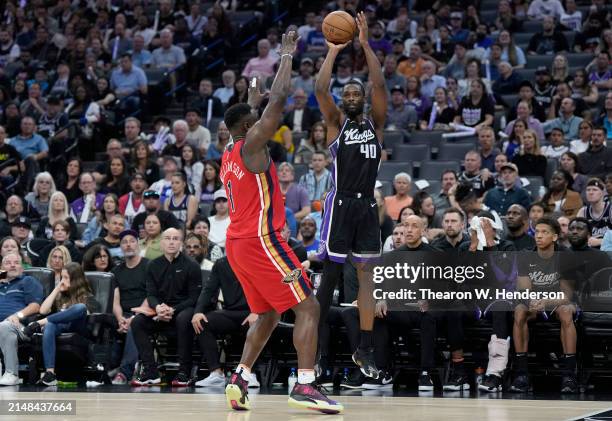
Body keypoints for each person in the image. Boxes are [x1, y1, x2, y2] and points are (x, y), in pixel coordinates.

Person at [221, 29, 341, 413]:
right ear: (247, 128)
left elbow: (254, 106)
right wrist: (286, 55)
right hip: (261, 240)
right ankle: (306, 384)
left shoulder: (228, 149)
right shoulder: (253, 144)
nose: (261, 121)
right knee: (308, 307)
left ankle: (239, 378)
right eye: (254, 120)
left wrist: (250, 98)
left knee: (271, 312)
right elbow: (278, 99)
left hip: (238, 244)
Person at [315, 11, 387, 387]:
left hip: (367, 206)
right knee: (329, 276)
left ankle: (366, 347)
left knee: (366, 278)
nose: (353, 96)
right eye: (349, 93)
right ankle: (315, 347)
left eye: (357, 93)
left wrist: (365, 44)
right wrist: (331, 52)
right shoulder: (335, 122)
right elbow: (320, 91)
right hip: (340, 203)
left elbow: (379, 81)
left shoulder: (376, 122)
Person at [510, 217, 578, 393]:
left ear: (555, 237)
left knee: (566, 313)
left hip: (558, 300)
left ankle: (569, 375)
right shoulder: (526, 255)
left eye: (544, 232)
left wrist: (546, 301)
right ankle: (522, 374)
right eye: (537, 232)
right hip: (534, 300)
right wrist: (532, 300)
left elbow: (567, 294)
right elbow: (523, 289)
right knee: (519, 311)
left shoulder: (566, 256)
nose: (539, 236)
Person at [130, 228, 201, 387]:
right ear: (161, 243)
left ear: (181, 244)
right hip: (160, 312)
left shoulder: (192, 265)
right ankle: (150, 371)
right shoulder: (153, 265)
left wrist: (173, 310)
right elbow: (151, 294)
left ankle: (184, 372)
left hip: (183, 309)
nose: (171, 242)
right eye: (168, 238)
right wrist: (158, 308)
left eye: (175, 239)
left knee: (184, 318)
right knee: (137, 322)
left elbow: (194, 298)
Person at [22, 263, 99, 386]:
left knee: (80, 307)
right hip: (61, 327)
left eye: (66, 278)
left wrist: (40, 322)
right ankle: (50, 374)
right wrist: (57, 288)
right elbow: (43, 310)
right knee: (50, 325)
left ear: (75, 280)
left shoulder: (87, 296)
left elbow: (86, 314)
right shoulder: (60, 296)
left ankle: (39, 323)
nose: (62, 281)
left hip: (78, 329)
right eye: (61, 277)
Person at [192, 257, 254, 387]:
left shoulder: (257, 259)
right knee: (202, 322)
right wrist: (198, 311)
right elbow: (208, 289)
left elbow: (267, 289)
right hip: (230, 312)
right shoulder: (221, 263)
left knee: (259, 325)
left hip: (253, 312)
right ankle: (216, 373)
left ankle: (250, 374)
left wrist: (258, 312)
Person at [109, 230, 148, 384]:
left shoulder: (148, 266)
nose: (128, 244)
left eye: (132, 241)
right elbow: (115, 301)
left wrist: (133, 318)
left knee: (135, 326)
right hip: (122, 314)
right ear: (120, 246)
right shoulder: (116, 271)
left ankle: (125, 372)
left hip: (145, 312)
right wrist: (120, 319)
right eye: (124, 242)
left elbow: (150, 296)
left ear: (137, 243)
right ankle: (105, 368)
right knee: (103, 322)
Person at [0, 252, 43, 385]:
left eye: (16, 262)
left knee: (5, 326)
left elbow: (36, 306)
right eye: (8, 263)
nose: (12, 265)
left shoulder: (27, 281)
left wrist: (17, 315)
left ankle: (12, 374)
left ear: (22, 268)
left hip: (20, 326)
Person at [577, 178, 612, 249]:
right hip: (590, 251)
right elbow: (577, 234)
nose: (591, 192)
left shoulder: (610, 209)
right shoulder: (582, 212)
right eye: (588, 190)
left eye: (595, 190)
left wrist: (601, 241)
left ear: (602, 192)